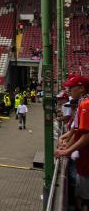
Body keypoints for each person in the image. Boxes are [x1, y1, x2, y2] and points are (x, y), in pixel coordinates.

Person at [56, 75, 89, 209]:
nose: (68, 90)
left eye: (71, 87)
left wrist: (67, 151)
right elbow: (76, 131)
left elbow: (86, 136)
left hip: (86, 161)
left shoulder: (86, 104)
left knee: (83, 197)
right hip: (83, 160)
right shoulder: (83, 102)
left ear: (81, 88)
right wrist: (67, 146)